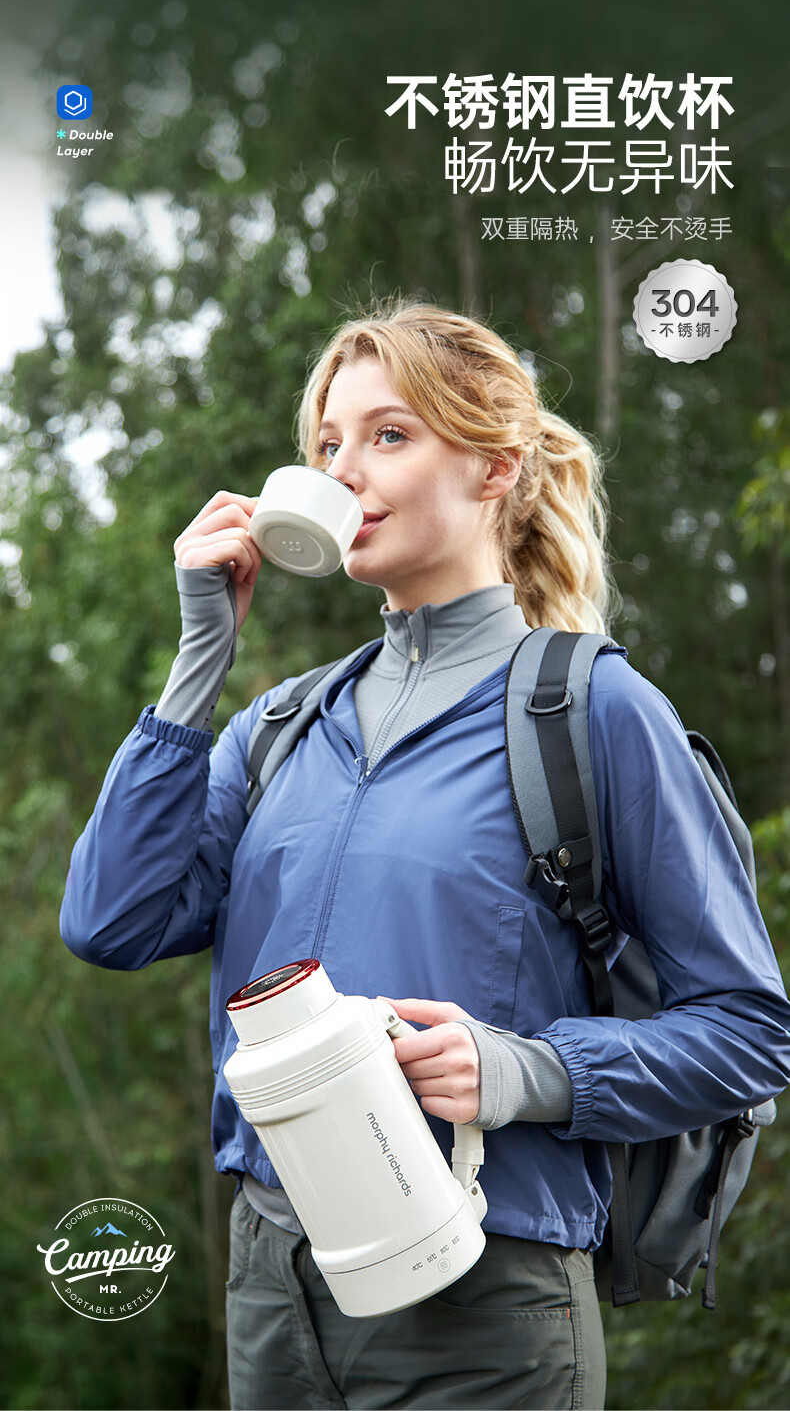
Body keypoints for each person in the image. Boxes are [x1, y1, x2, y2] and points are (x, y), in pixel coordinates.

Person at [60, 301, 790, 1411]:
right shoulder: (279, 729)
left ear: (495, 467)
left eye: (388, 435)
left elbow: (749, 1032)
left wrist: (526, 1072)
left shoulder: (594, 711)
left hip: (485, 1305)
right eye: (327, 446)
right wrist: (199, 661)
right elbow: (109, 923)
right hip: (270, 1289)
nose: (343, 471)